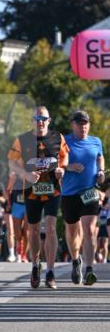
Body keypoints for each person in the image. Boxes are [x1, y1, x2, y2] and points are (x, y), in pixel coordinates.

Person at [8, 106, 68, 290]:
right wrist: (25, 174)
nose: (40, 122)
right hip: (31, 190)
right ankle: (35, 265)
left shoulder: (58, 137)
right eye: (36, 119)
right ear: (32, 121)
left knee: (50, 227)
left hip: (52, 190)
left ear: (49, 121)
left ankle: (50, 271)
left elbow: (64, 157)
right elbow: (11, 161)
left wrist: (61, 169)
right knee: (33, 230)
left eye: (43, 119)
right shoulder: (22, 139)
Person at [61, 110, 105, 286]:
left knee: (89, 229)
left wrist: (101, 171)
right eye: (80, 124)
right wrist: (69, 167)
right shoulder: (65, 141)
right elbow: (57, 162)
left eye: (86, 124)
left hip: (89, 191)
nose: (83, 127)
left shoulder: (96, 141)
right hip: (69, 193)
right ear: (73, 125)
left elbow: (100, 158)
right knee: (72, 231)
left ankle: (89, 269)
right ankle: (75, 260)